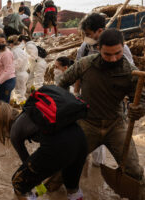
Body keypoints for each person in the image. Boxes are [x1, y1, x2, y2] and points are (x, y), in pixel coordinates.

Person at [58, 29, 145, 198]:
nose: (113, 59)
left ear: (123, 47)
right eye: (107, 54)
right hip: (87, 124)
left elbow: (141, 98)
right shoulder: (85, 64)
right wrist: (68, 107)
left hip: (116, 125)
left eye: (117, 54)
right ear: (98, 48)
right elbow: (61, 83)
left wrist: (139, 109)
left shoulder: (131, 72)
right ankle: (46, 192)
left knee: (134, 170)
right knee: (62, 166)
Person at [0, 102, 87, 200]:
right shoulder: (29, 113)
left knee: (18, 182)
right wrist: (39, 184)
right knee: (72, 188)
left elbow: (27, 163)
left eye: (0, 130)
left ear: (4, 125)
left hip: (60, 145)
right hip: (81, 139)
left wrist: (38, 184)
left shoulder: (15, 131)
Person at [76, 13, 134, 167]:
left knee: (105, 136)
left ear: (99, 31)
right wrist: (76, 94)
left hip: (111, 101)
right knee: (84, 137)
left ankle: (98, 167)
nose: (86, 37)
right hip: (89, 99)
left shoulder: (121, 48)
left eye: (88, 34)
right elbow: (77, 72)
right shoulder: (85, 47)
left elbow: (130, 73)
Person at [8, 35, 29, 105]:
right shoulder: (21, 50)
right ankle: (16, 103)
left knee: (19, 93)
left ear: (11, 43)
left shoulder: (14, 52)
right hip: (24, 73)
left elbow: (16, 64)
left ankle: (21, 108)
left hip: (18, 74)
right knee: (21, 91)